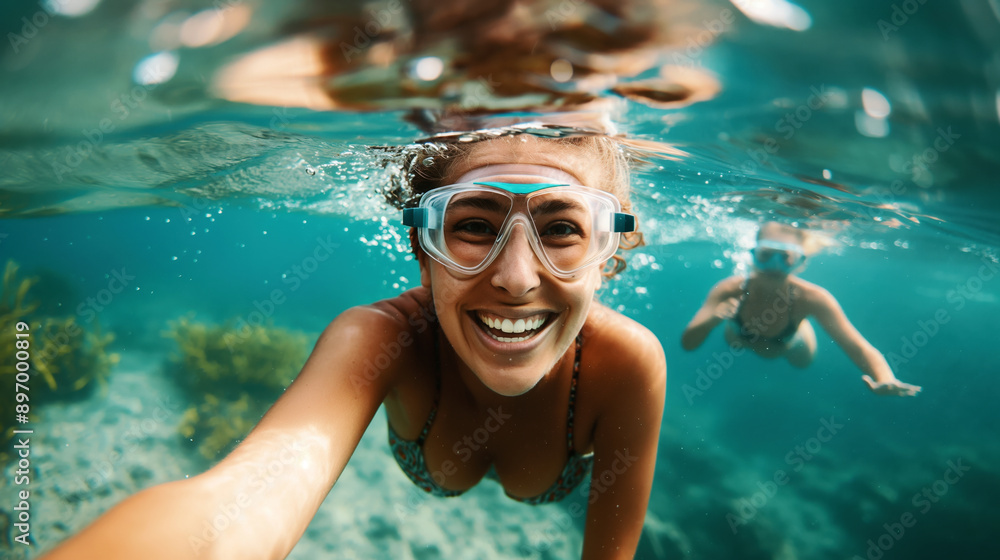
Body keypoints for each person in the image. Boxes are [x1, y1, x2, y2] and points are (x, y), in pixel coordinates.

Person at [42, 133, 667, 559]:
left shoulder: (630, 366)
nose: (515, 278)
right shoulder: (379, 337)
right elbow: (232, 513)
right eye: (473, 226)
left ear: (604, 264)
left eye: (561, 229)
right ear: (424, 254)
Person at [680, 221, 921, 397]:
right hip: (739, 338)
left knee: (801, 363)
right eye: (766, 255)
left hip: (790, 345)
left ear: (801, 263)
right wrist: (712, 320)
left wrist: (885, 378)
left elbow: (857, 346)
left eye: (784, 258)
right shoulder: (729, 289)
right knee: (734, 342)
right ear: (754, 256)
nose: (774, 266)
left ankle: (801, 328)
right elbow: (688, 344)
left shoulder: (813, 298)